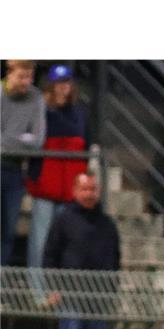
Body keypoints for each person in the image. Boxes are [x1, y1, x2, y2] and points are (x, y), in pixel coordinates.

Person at [42, 173, 120, 329]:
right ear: (75, 191)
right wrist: (53, 287)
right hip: (70, 293)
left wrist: (111, 289)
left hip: (98, 296)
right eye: (84, 189)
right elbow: (50, 255)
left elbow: (115, 258)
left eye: (93, 189)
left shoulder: (107, 224)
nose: (89, 194)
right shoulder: (64, 219)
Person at [25, 64, 90, 270]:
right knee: (40, 240)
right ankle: (38, 292)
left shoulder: (79, 113)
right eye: (59, 83)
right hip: (45, 184)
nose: (63, 87)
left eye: (67, 82)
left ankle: (59, 289)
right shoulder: (41, 109)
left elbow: (85, 144)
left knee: (64, 240)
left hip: (69, 186)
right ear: (51, 85)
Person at [1, 60, 46, 266]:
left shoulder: (36, 97)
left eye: (30, 77)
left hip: (15, 171)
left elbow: (37, 141)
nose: (26, 82)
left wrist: (9, 139)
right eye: (21, 76)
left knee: (8, 230)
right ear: (9, 73)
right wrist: (21, 138)